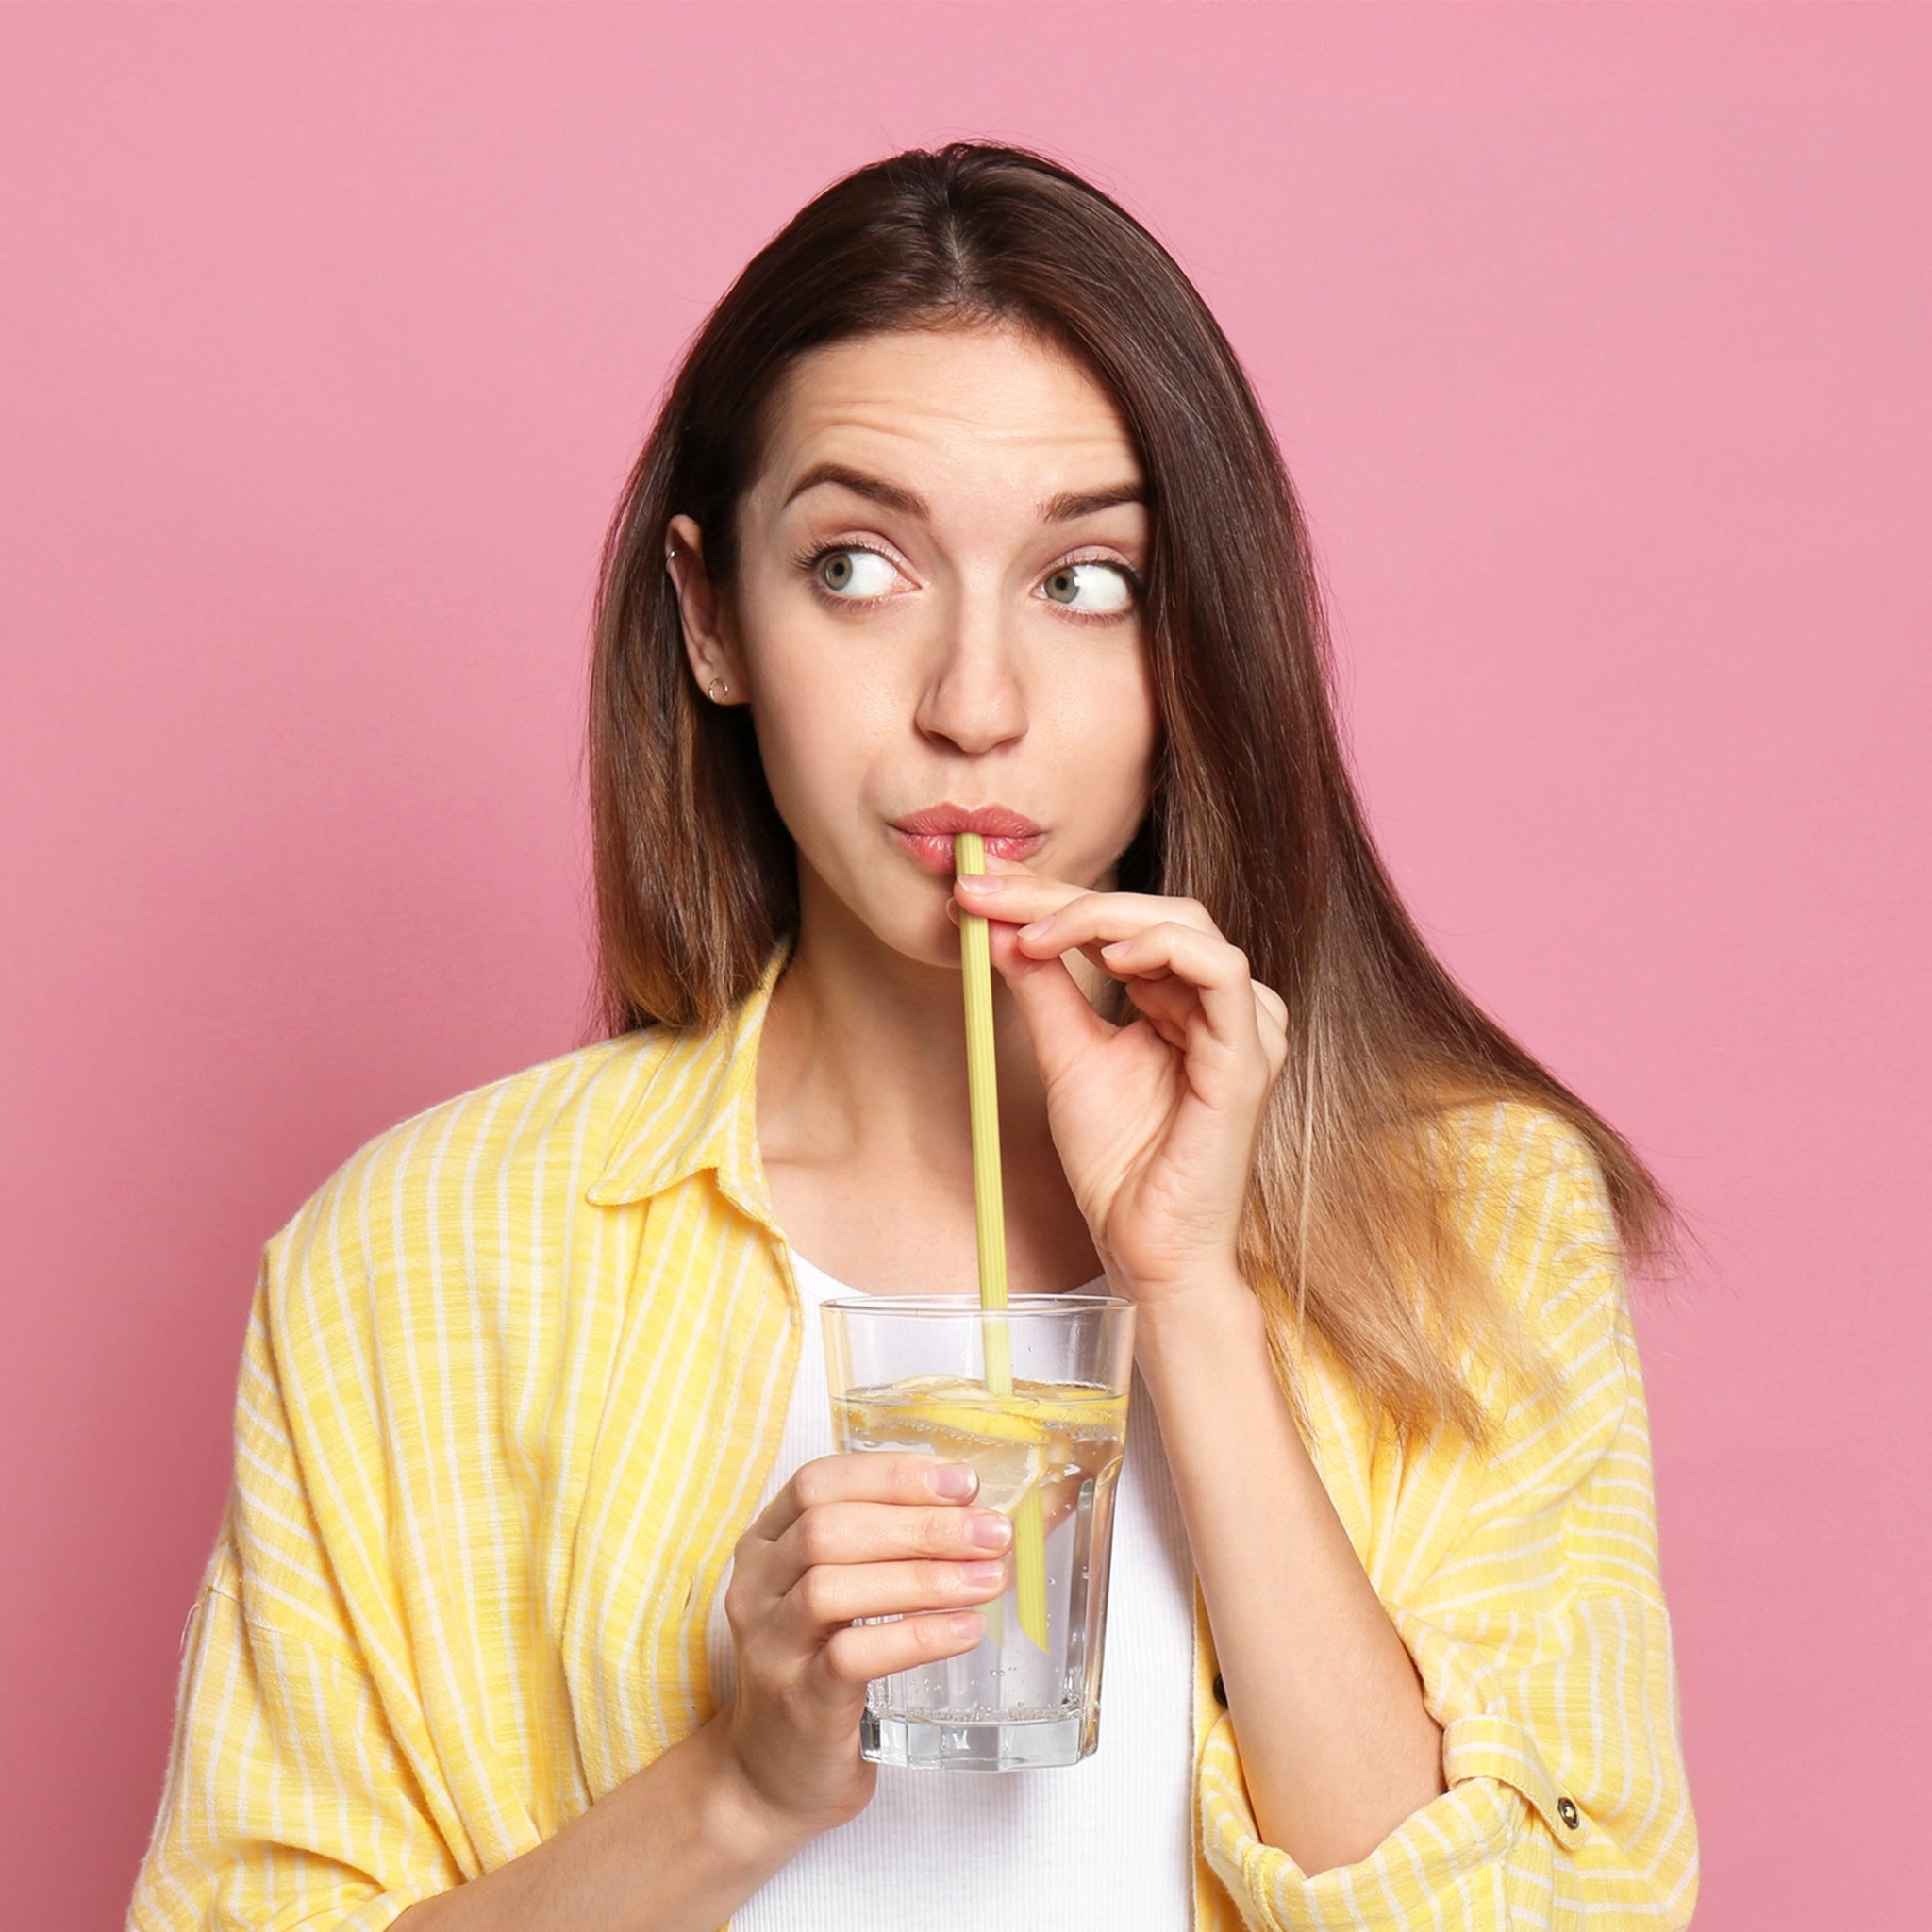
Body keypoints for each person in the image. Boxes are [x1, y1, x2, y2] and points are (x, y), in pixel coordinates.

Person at [127, 143, 1697, 1932]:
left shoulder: (1470, 1214)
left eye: (1086, 582)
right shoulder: (420, 1259)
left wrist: (1187, 1296)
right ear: (714, 616)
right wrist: (739, 1784)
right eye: (860, 566)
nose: (974, 706)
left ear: (1202, 639)